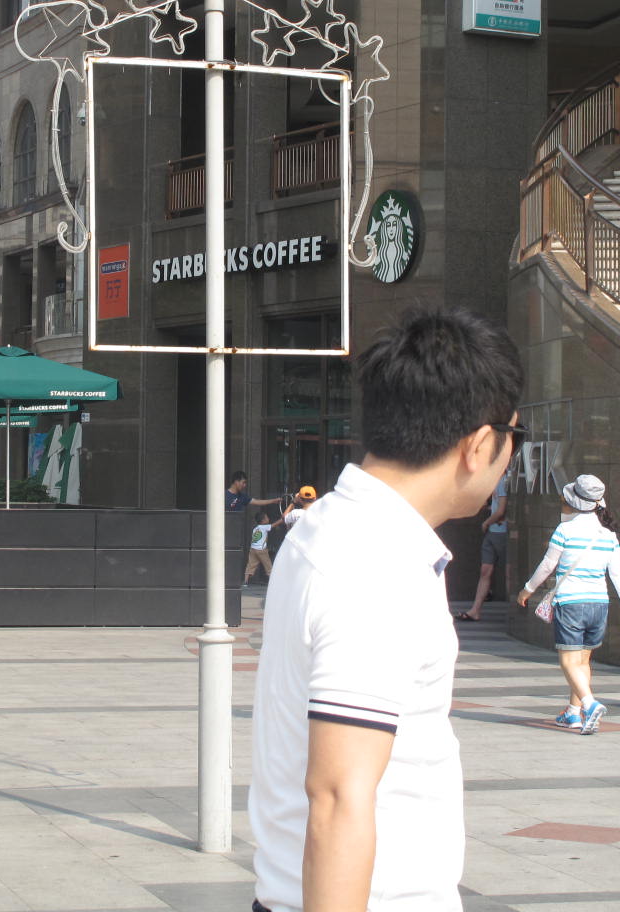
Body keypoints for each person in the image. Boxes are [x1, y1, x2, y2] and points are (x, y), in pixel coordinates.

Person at [250, 305, 523, 912]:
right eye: (514, 437)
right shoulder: (375, 564)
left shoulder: (330, 525)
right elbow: (338, 798)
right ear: (480, 445)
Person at [516, 474, 620, 734]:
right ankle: (573, 713)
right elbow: (617, 573)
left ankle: (590, 705)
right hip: (599, 603)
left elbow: (547, 565)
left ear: (574, 502)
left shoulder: (565, 530)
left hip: (571, 602)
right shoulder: (609, 535)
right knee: (582, 662)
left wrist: (527, 590)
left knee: (568, 662)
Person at [455, 470, 510, 622]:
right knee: (485, 570)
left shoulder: (503, 481)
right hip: (493, 531)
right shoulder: (496, 481)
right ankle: (475, 610)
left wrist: (486, 522)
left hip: (500, 531)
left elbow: (501, 510)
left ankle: (514, 612)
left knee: (507, 572)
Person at [244, 509, 277, 586]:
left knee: (250, 565)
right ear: (263, 521)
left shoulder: (255, 528)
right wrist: (282, 519)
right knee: (268, 565)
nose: (268, 519)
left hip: (253, 549)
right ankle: (272, 583)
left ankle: (245, 582)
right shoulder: (264, 527)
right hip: (261, 550)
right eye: (267, 517)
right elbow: (274, 525)